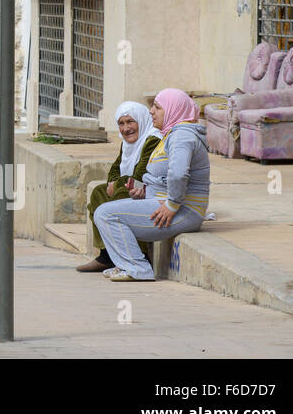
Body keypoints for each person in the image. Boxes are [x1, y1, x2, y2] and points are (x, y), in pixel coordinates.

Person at [93, 88, 211, 282]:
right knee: (104, 209)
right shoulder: (173, 134)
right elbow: (166, 177)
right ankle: (127, 265)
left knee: (106, 214)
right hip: (168, 204)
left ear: (173, 109)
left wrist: (172, 204)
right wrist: (145, 190)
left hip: (184, 211)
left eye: (157, 107)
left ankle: (138, 269)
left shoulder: (182, 137)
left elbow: (179, 173)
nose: (151, 111)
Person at [75, 100, 163, 272]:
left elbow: (140, 174)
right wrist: (113, 182)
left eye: (130, 122)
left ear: (141, 120)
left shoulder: (152, 140)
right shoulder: (128, 143)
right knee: (99, 192)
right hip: (134, 183)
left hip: (151, 187)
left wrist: (118, 183)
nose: (125, 128)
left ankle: (139, 255)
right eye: (121, 124)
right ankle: (106, 254)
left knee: (122, 193)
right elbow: (115, 169)